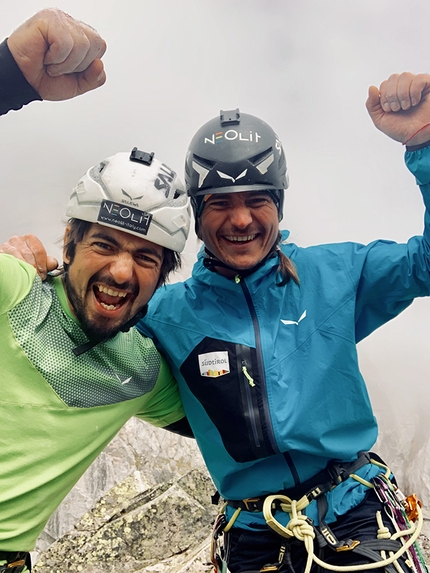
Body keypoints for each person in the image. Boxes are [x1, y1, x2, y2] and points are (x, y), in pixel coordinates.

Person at [5, 15, 430, 573]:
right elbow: (89, 323)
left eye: (257, 198)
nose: (241, 219)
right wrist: (43, 281)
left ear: (279, 202)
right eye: (219, 204)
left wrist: (423, 143)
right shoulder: (162, 312)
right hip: (255, 533)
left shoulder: (340, 272)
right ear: (197, 219)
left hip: (358, 515)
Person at [0, 9, 192, 573]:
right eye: (104, 244)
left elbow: (244, 418)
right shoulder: (14, 289)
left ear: (162, 274)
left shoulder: (142, 373)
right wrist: (7, 77)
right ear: (69, 241)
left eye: (146, 257)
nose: (122, 272)